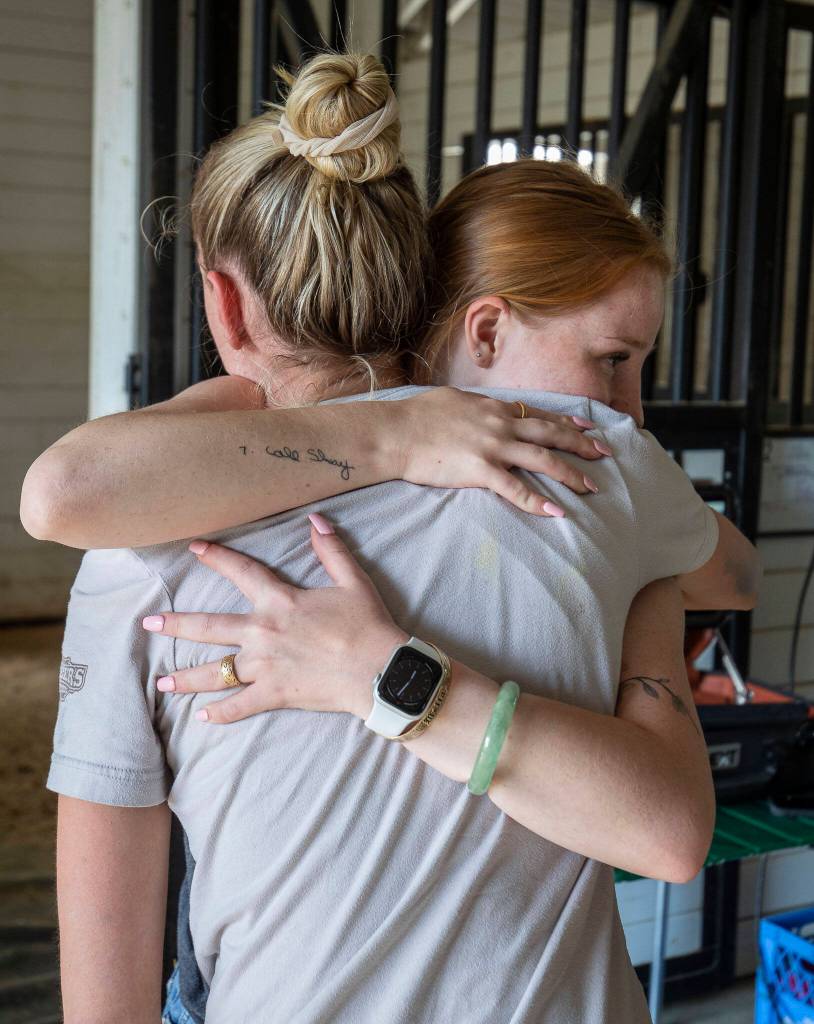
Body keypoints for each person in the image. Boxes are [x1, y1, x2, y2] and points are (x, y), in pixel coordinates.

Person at [24, 52, 760, 1024]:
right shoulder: (597, 467)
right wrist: (645, 576)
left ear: (224, 303)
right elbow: (736, 572)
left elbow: (104, 997)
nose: (632, 406)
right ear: (470, 318)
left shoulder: (140, 542)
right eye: (614, 362)